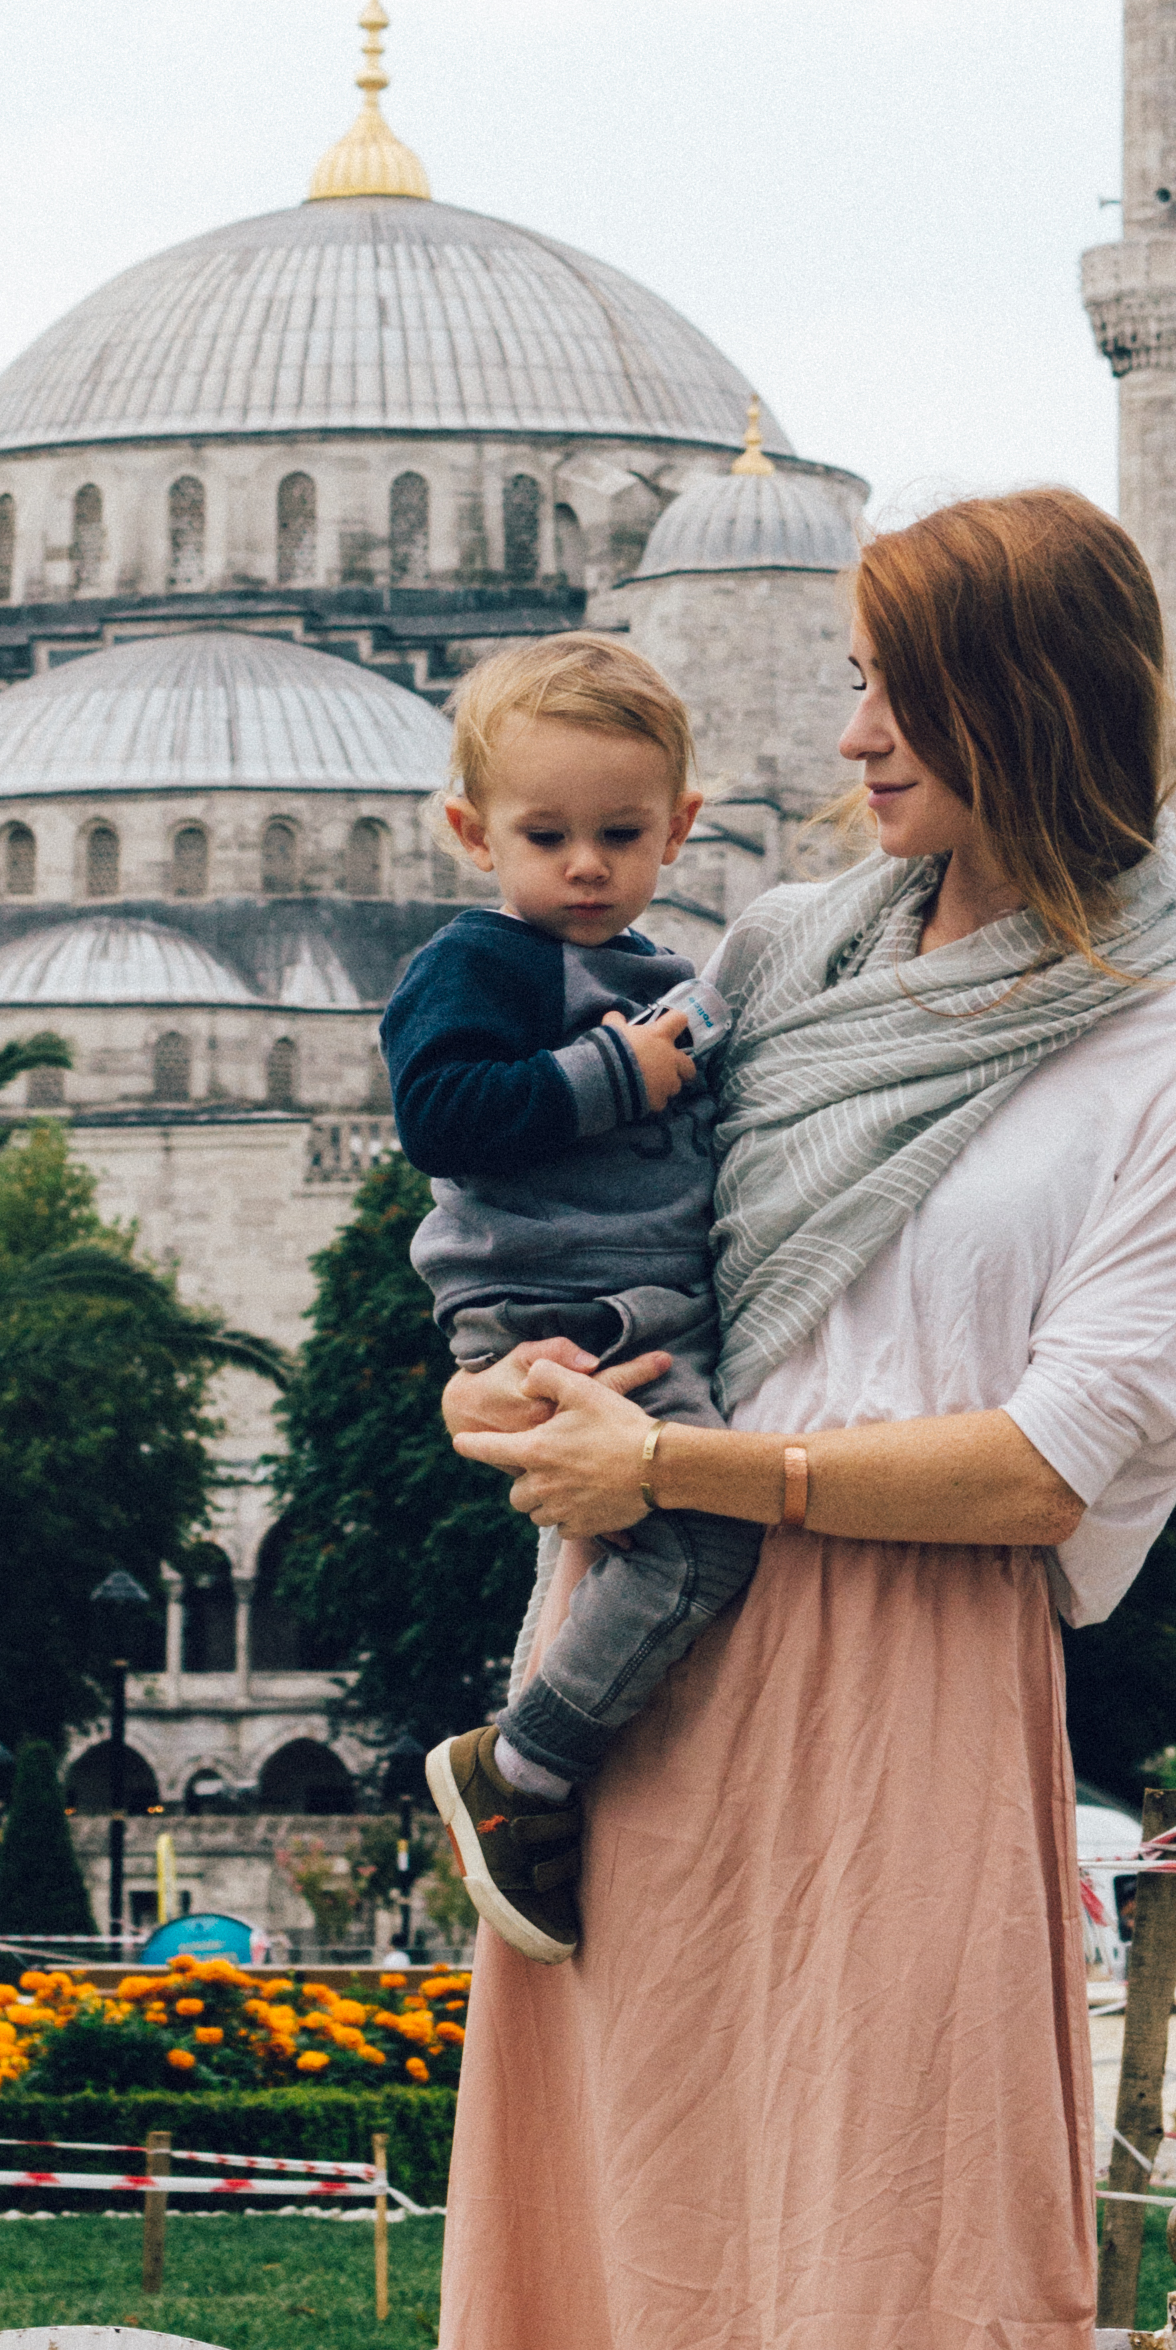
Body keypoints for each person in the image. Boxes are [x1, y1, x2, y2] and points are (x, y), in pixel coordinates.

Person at [419, 484, 1176, 2350]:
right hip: (628, 1666)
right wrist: (501, 1390)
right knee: (628, 2241)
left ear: (1023, 708)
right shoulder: (781, 960)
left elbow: (1048, 1466)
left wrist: (693, 1483)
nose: (852, 741)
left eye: (898, 693)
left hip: (893, 1683)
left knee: (888, 2257)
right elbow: (603, 1237)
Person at [379, 634, 766, 1965]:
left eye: (620, 833)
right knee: (702, 1541)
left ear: (682, 829)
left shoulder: (662, 962)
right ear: (471, 832)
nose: (585, 866)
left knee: (693, 1530)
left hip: (632, 1302)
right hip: (557, 1308)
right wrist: (617, 1076)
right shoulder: (477, 961)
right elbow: (440, 1115)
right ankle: (526, 1768)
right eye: (547, 836)